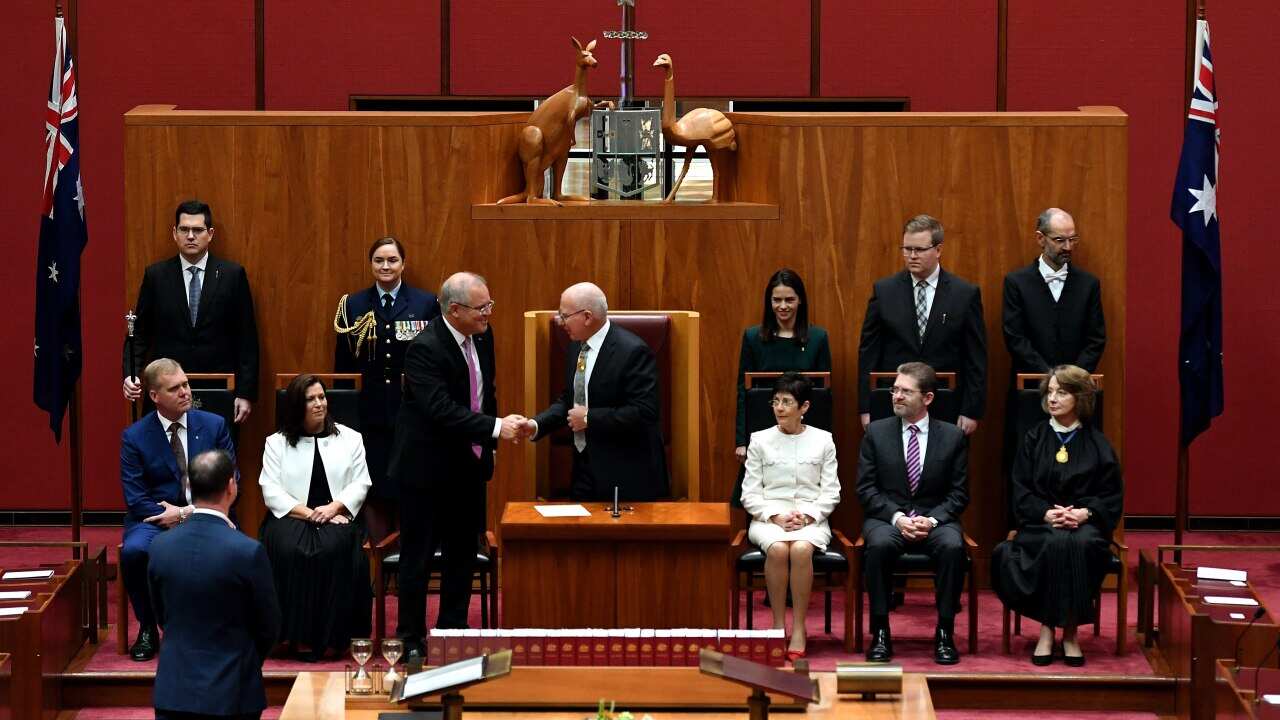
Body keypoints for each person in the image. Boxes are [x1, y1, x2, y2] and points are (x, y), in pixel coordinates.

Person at [389, 272, 526, 662]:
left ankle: (452, 631)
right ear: (454, 310)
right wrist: (497, 428)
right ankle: (411, 639)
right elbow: (441, 410)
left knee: (462, 553)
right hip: (425, 470)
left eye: (489, 305)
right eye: (481, 308)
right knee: (417, 558)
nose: (488, 313)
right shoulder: (424, 348)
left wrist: (489, 441)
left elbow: (487, 391)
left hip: (468, 465)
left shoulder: (484, 335)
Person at [992, 366, 1122, 667]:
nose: (1052, 399)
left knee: (1079, 544)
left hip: (1085, 525)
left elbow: (1111, 494)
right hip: (1041, 523)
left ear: (1080, 398)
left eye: (1061, 392)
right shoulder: (1033, 438)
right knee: (1053, 543)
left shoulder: (1097, 443)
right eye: (1049, 392)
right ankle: (1051, 630)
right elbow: (1020, 489)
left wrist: (1084, 513)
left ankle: (1069, 633)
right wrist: (1047, 513)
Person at [149, 449, 280, 720]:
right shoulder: (248, 551)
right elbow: (269, 626)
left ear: (188, 487)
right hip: (233, 692)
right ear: (231, 486)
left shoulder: (160, 546)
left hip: (174, 692)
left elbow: (161, 615)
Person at [119, 358, 236, 662]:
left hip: (207, 515)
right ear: (155, 396)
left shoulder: (214, 425)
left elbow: (231, 479)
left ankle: (219, 627)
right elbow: (136, 497)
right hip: (155, 519)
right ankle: (147, 626)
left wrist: (187, 513)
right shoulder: (134, 437)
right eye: (175, 388)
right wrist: (169, 516)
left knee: (239, 550)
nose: (185, 391)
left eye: (185, 384)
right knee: (133, 551)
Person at [856, 362, 969, 665]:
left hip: (935, 517)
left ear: (928, 398)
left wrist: (931, 520)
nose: (897, 396)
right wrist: (897, 518)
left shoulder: (952, 437)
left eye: (906, 391)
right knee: (878, 546)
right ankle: (880, 632)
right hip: (888, 518)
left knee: (953, 547)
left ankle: (945, 632)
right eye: (895, 390)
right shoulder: (876, 433)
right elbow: (866, 489)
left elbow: (959, 494)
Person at [259, 374, 373, 660]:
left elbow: (361, 483)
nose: (319, 403)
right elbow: (271, 491)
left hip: (339, 513)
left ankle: (333, 636)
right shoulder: (276, 443)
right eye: (311, 399)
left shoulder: (350, 438)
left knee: (332, 549)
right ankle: (293, 635)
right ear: (297, 405)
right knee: (291, 549)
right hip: (292, 516)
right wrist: (313, 514)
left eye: (321, 397)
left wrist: (334, 508)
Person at [522, 282, 669, 501]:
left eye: (564, 316)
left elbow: (644, 412)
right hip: (584, 471)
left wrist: (590, 418)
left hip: (626, 475)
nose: (561, 323)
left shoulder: (633, 351)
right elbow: (570, 400)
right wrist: (536, 424)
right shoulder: (576, 345)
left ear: (587, 317)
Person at [334, 236, 440, 536]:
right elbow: (343, 368)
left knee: (411, 486)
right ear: (370, 264)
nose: (385, 266)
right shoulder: (353, 304)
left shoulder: (425, 303)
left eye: (392, 260)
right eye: (379, 260)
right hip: (370, 413)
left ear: (403, 264)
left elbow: (434, 361)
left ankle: (409, 559)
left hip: (412, 411)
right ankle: (379, 565)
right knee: (375, 486)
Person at [123, 200, 260, 424]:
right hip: (165, 389)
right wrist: (131, 374)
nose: (190, 236)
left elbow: (246, 339)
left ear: (210, 233)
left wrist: (245, 393)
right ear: (174, 233)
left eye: (197, 230)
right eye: (184, 229)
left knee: (214, 458)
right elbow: (139, 335)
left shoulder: (232, 275)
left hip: (217, 389)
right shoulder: (156, 276)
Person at [740, 373, 839, 661]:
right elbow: (750, 495)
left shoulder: (823, 440)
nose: (779, 408)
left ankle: (798, 628)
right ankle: (775, 626)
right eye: (776, 401)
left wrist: (807, 517)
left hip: (811, 521)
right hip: (768, 520)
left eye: (787, 402)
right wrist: (775, 517)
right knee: (779, 548)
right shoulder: (759, 440)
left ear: (804, 407)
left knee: (800, 549)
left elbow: (831, 492)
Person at [858, 214, 987, 435]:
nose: (912, 256)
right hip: (894, 402)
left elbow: (975, 357)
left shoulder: (964, 294)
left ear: (938, 250)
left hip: (946, 403)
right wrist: (865, 406)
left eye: (919, 250)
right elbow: (868, 353)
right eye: (907, 249)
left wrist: (971, 410)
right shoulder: (884, 291)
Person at [734, 269, 832, 468]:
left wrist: (825, 439)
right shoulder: (753, 337)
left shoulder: (818, 338)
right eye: (776, 300)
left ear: (800, 300)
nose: (783, 306)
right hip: (762, 427)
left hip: (804, 431)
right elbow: (742, 392)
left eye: (789, 299)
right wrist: (741, 440)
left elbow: (823, 395)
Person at [1001, 208, 1106, 375]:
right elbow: (1015, 339)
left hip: (1074, 390)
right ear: (1040, 239)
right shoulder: (1016, 283)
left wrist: (1070, 379)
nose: (1068, 247)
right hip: (1030, 387)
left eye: (1073, 239)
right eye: (1060, 240)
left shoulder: (1089, 284)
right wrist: (1049, 376)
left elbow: (1095, 340)